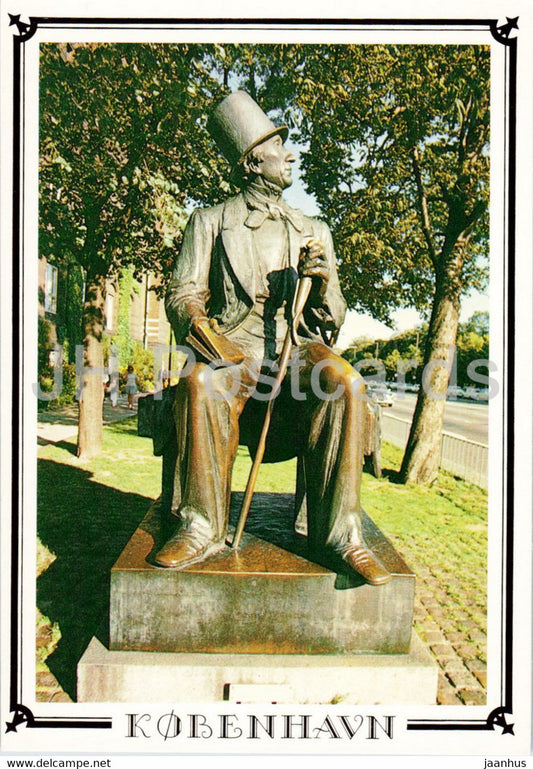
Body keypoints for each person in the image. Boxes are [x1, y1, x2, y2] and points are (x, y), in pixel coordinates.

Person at [156, 91, 390, 586]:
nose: (290, 155)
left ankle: (341, 536)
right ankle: (201, 527)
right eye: (278, 146)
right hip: (235, 349)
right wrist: (203, 331)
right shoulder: (210, 221)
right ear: (252, 162)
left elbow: (333, 317)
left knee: (345, 383)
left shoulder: (314, 229)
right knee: (201, 383)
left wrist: (323, 283)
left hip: (296, 350)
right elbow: (183, 292)